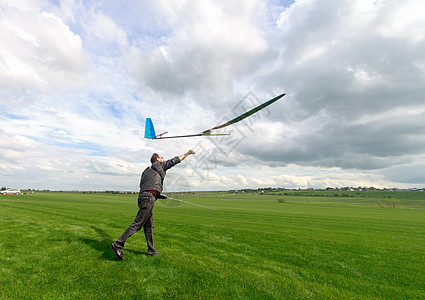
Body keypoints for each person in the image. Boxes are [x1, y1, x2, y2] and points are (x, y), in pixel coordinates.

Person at [111, 150, 195, 260]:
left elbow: (145, 186)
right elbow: (175, 160)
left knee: (148, 226)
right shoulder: (160, 166)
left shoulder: (146, 171)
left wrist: (158, 195)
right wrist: (187, 153)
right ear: (157, 159)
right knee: (137, 224)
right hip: (148, 198)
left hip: (143, 197)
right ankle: (118, 244)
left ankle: (151, 250)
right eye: (161, 157)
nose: (163, 159)